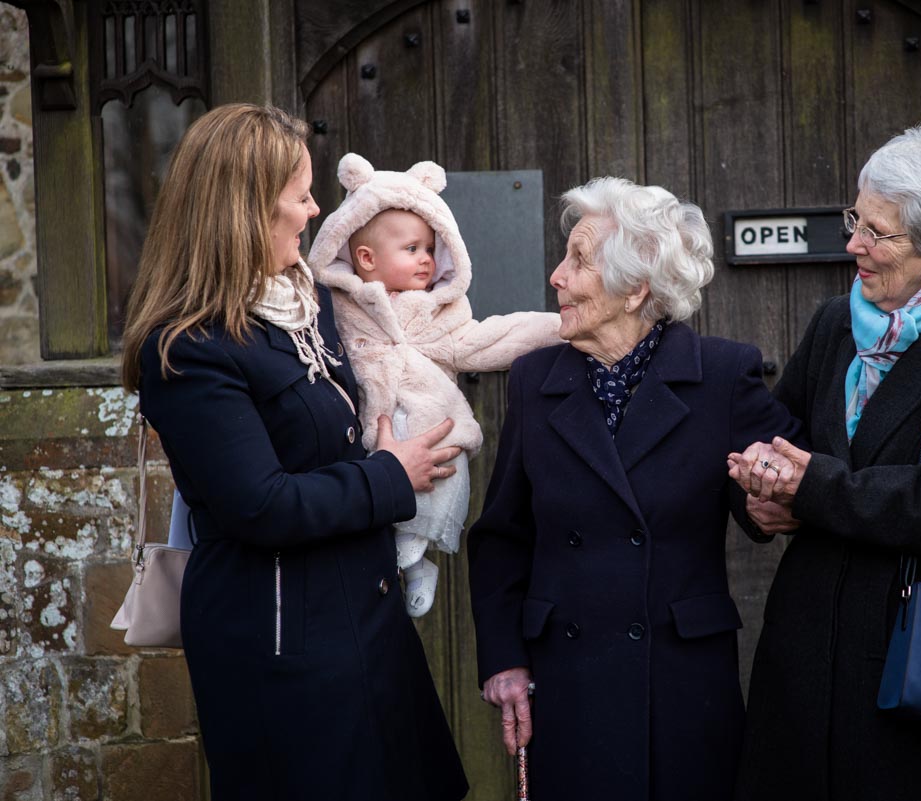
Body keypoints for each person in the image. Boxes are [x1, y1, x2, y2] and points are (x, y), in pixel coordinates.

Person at [120, 104, 469, 801]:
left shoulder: (302, 304)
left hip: (366, 630)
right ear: (247, 209)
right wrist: (388, 476)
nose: (315, 211)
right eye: (301, 195)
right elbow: (259, 503)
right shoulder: (188, 347)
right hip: (283, 655)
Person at [728, 121, 921, 801]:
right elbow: (780, 436)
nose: (854, 246)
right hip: (805, 653)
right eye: (856, 219)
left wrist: (815, 486)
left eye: (879, 232)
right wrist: (757, 487)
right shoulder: (834, 321)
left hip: (916, 665)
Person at [467, 177, 802, 801]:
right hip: (565, 682)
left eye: (579, 259)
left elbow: (784, 489)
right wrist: (504, 658)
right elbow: (502, 536)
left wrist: (773, 496)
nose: (556, 277)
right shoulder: (534, 379)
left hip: (679, 684)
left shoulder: (725, 375)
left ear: (636, 288)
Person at [306, 154, 561, 617]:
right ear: (365, 258)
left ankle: (417, 555)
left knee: (432, 457)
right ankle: (399, 557)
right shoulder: (336, 307)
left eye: (430, 248)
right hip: (365, 437)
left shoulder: (437, 310)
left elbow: (487, 339)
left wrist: (562, 328)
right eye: (411, 249)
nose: (426, 259)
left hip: (432, 431)